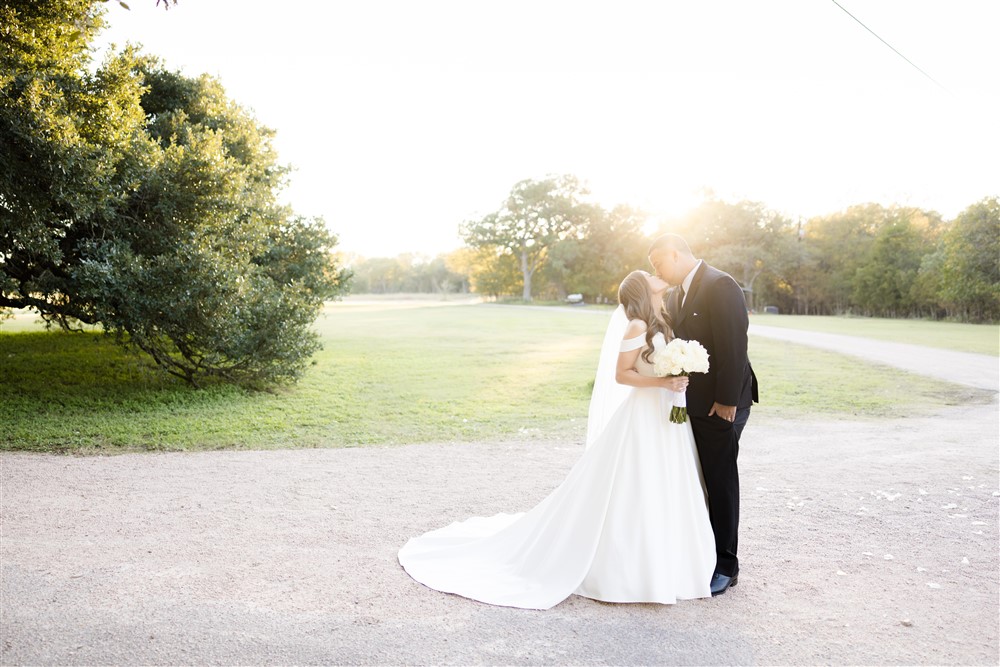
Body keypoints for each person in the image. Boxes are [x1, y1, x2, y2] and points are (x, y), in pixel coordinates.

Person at [397, 270, 716, 610]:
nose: (657, 275)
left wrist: (677, 375)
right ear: (641, 289)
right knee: (636, 483)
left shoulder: (661, 320)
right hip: (643, 415)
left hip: (666, 415)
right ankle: (629, 568)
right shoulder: (637, 325)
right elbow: (621, 374)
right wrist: (662, 384)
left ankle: (669, 562)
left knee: (665, 481)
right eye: (649, 275)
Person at [647, 234, 759, 596]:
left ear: (675, 255)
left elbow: (733, 344)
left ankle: (727, 565)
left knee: (720, 478)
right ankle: (701, 554)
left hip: (722, 403)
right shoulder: (679, 293)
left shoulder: (720, 284)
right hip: (693, 403)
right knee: (699, 477)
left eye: (658, 263)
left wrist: (727, 400)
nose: (657, 272)